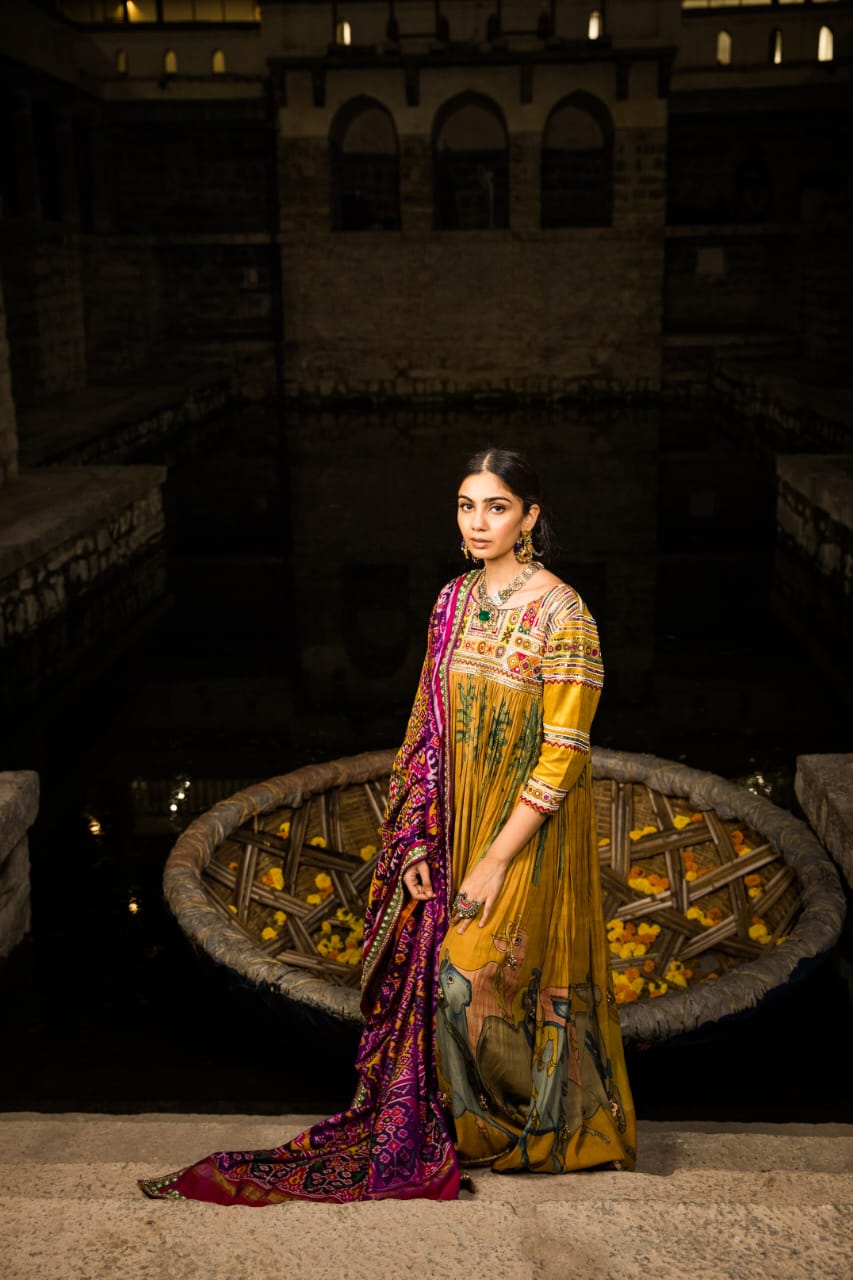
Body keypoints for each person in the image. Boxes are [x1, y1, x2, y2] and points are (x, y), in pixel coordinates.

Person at [138, 447, 635, 1205]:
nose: (477, 521)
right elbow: (425, 733)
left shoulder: (563, 615)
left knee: (473, 975)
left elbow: (563, 757)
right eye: (466, 505)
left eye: (496, 507)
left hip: (527, 832)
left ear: (529, 517)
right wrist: (414, 839)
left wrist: (494, 861)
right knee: (452, 978)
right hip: (452, 822)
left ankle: (540, 1122)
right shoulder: (452, 601)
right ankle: (473, 1129)